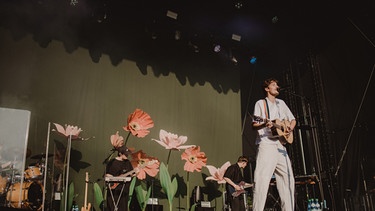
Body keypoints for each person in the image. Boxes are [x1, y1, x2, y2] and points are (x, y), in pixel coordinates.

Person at [252, 78, 296, 211]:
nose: (277, 86)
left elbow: (292, 119)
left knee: (288, 179)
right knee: (262, 180)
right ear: (267, 89)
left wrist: (289, 129)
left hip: (281, 145)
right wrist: (265, 123)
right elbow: (254, 124)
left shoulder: (281, 103)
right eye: (273, 85)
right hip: (267, 144)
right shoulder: (261, 103)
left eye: (277, 84)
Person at [105, 145, 133, 211]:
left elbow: (131, 174)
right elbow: (107, 175)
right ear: (120, 153)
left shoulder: (127, 163)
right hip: (114, 190)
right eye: (125, 154)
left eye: (127, 154)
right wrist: (114, 179)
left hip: (124, 190)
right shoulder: (112, 162)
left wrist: (135, 172)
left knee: (123, 207)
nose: (127, 155)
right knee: (112, 206)